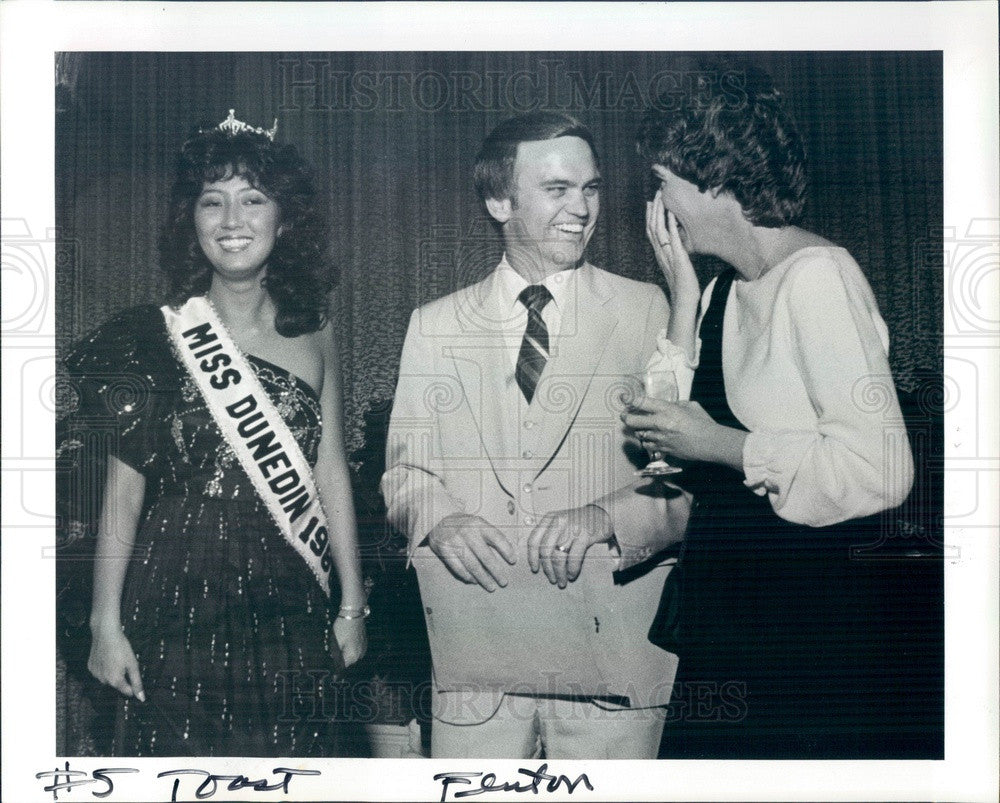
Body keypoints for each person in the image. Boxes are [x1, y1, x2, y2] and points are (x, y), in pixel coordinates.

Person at [622, 69, 915, 757]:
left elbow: (884, 470)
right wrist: (683, 294)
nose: (658, 200)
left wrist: (722, 444)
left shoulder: (819, 277)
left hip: (806, 630)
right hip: (732, 618)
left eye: (664, 181)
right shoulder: (725, 289)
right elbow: (663, 447)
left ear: (715, 182)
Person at [381, 111, 691, 759]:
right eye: (558, 189)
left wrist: (606, 513)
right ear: (500, 200)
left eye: (592, 188)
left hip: (613, 664)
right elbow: (403, 474)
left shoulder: (648, 310)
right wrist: (438, 519)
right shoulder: (433, 325)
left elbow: (685, 485)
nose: (582, 208)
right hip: (475, 669)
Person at [62, 111, 367, 756]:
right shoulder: (154, 336)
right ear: (191, 221)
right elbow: (122, 496)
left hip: (289, 597)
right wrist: (104, 624)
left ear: (284, 220)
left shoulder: (317, 333)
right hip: (173, 594)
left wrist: (351, 604)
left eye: (253, 200)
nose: (232, 221)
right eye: (213, 201)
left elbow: (331, 469)